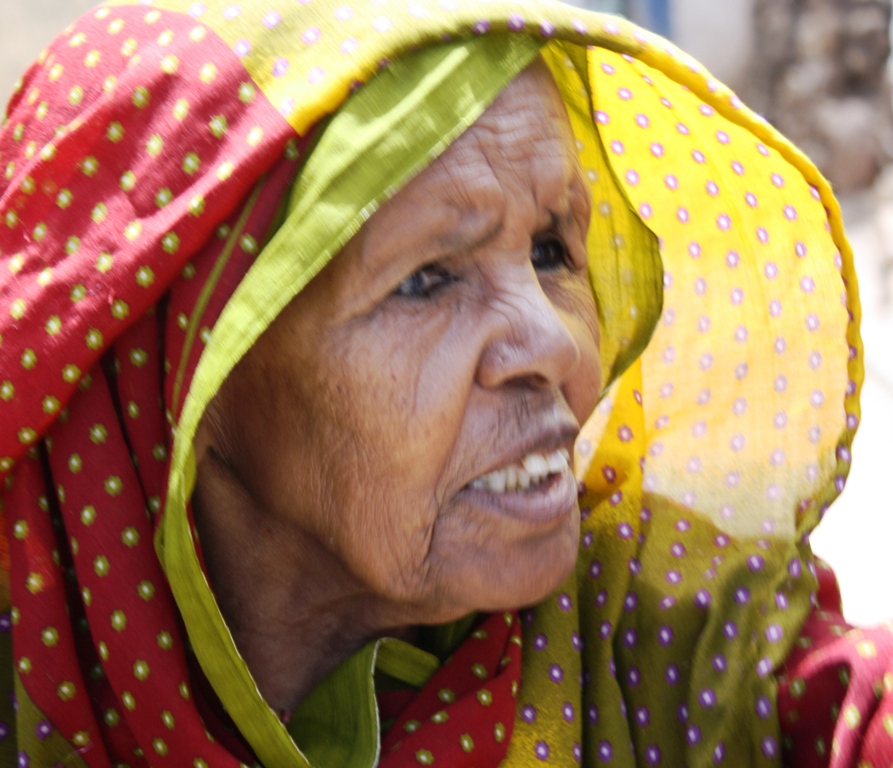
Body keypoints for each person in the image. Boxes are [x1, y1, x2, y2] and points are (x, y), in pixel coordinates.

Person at [0, 1, 890, 766]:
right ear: (188, 383)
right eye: (426, 278)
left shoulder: (658, 629)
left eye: (551, 250)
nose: (555, 344)